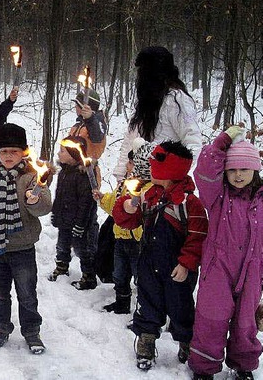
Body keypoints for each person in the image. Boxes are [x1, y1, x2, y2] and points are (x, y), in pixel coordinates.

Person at [113, 140, 208, 371]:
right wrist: (126, 208)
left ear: (169, 170)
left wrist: (186, 263)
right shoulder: (149, 195)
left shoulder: (189, 203)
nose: (150, 167)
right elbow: (127, 221)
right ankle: (146, 338)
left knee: (181, 306)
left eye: (154, 164)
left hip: (177, 268)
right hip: (148, 263)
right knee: (147, 302)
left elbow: (197, 237)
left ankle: (186, 340)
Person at [0, 123, 53, 354]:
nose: (8, 156)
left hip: (22, 249)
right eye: (4, 151)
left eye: (13, 152)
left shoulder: (31, 177)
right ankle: (1, 328)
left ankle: (32, 332)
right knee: (1, 295)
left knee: (27, 294)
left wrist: (34, 202)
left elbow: (44, 206)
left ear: (23, 153)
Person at [188, 126, 263, 380]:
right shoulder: (218, 197)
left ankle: (244, 366)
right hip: (218, 269)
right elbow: (205, 171)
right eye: (232, 170)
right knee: (211, 320)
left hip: (252, 272)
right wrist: (222, 142)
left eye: (244, 169)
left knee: (246, 324)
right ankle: (204, 368)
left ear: (255, 170)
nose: (238, 175)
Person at [112, 46, 202, 182]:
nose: (140, 78)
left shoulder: (177, 101)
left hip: (163, 183)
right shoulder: (146, 101)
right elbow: (131, 139)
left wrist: (172, 177)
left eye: (144, 72)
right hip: (136, 181)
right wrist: (122, 174)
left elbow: (193, 143)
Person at [93, 138, 153, 313]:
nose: (128, 165)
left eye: (131, 162)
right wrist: (102, 198)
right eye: (128, 162)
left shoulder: (148, 189)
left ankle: (144, 311)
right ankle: (122, 302)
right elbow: (114, 205)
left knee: (140, 277)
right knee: (120, 275)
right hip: (120, 238)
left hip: (137, 241)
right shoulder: (125, 185)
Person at [48, 136, 98, 290]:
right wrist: (55, 213)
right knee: (62, 245)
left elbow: (86, 202)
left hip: (80, 222)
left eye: (62, 151)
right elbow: (59, 195)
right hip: (65, 219)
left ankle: (89, 277)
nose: (58, 154)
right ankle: (62, 268)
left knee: (83, 249)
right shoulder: (64, 172)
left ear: (73, 154)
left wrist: (81, 223)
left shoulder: (84, 174)